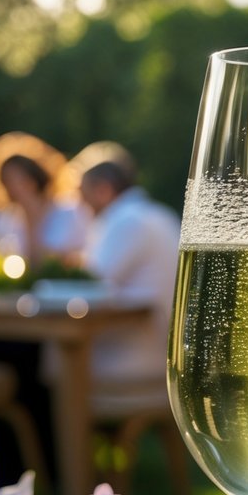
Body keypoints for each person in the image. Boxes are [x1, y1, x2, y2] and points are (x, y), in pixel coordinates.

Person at [78, 147, 181, 382]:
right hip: (162, 352)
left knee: (49, 357)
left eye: (84, 197)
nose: (83, 207)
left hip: (131, 358)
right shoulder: (160, 214)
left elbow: (89, 284)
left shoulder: (124, 220)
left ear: (103, 190)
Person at [0, 133, 89, 267]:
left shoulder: (69, 212)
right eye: (7, 181)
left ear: (35, 177)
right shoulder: (2, 220)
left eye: (19, 180)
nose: (14, 188)